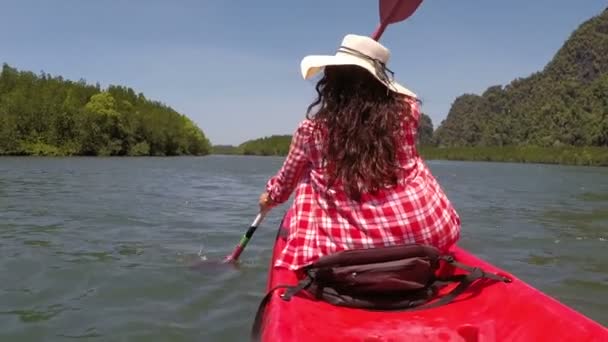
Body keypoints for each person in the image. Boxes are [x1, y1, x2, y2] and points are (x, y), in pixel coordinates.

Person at [258, 34, 461, 271]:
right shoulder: (407, 116)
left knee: (308, 174)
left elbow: (283, 187)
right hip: (431, 233)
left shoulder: (311, 131)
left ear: (330, 83)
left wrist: (269, 199)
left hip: (346, 252)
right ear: (382, 83)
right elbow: (404, 101)